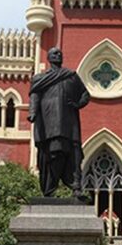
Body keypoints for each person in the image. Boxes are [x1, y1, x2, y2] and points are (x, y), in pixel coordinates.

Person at [28, 47, 90, 197]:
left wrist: (78, 104)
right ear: (48, 58)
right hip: (49, 123)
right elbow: (34, 97)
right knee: (53, 154)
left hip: (69, 123)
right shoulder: (39, 78)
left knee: (74, 154)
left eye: (60, 53)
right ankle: (50, 188)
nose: (58, 55)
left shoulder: (71, 76)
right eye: (54, 53)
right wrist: (33, 113)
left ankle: (75, 187)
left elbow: (85, 94)